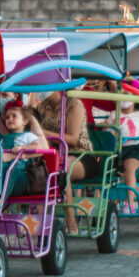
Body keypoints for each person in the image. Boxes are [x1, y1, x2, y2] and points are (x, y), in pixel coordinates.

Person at [35, 90, 98, 234]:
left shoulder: (74, 104)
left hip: (80, 154)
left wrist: (44, 133)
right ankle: (41, 223)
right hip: (53, 153)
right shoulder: (41, 106)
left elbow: (73, 139)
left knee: (62, 168)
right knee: (39, 170)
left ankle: (71, 222)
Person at [0, 101, 48, 202]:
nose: (10, 119)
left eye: (14, 116)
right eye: (7, 117)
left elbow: (37, 146)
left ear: (25, 121)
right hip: (5, 168)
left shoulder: (28, 136)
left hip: (22, 172)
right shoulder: (4, 139)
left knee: (11, 170)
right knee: (1, 169)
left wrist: (23, 147)